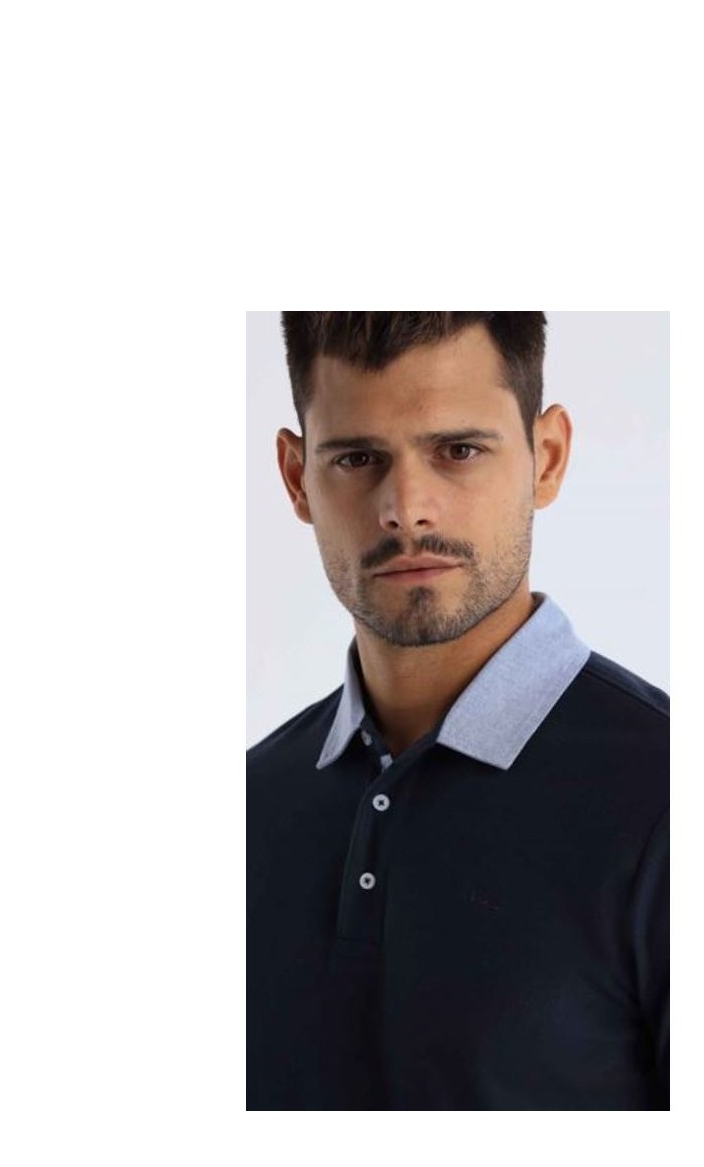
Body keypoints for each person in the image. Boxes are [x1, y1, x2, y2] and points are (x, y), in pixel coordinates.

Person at [247, 312, 668, 1110]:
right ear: (297, 477)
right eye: (358, 458)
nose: (406, 508)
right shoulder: (248, 804)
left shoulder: (670, 796)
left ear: (547, 458)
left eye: (459, 450)